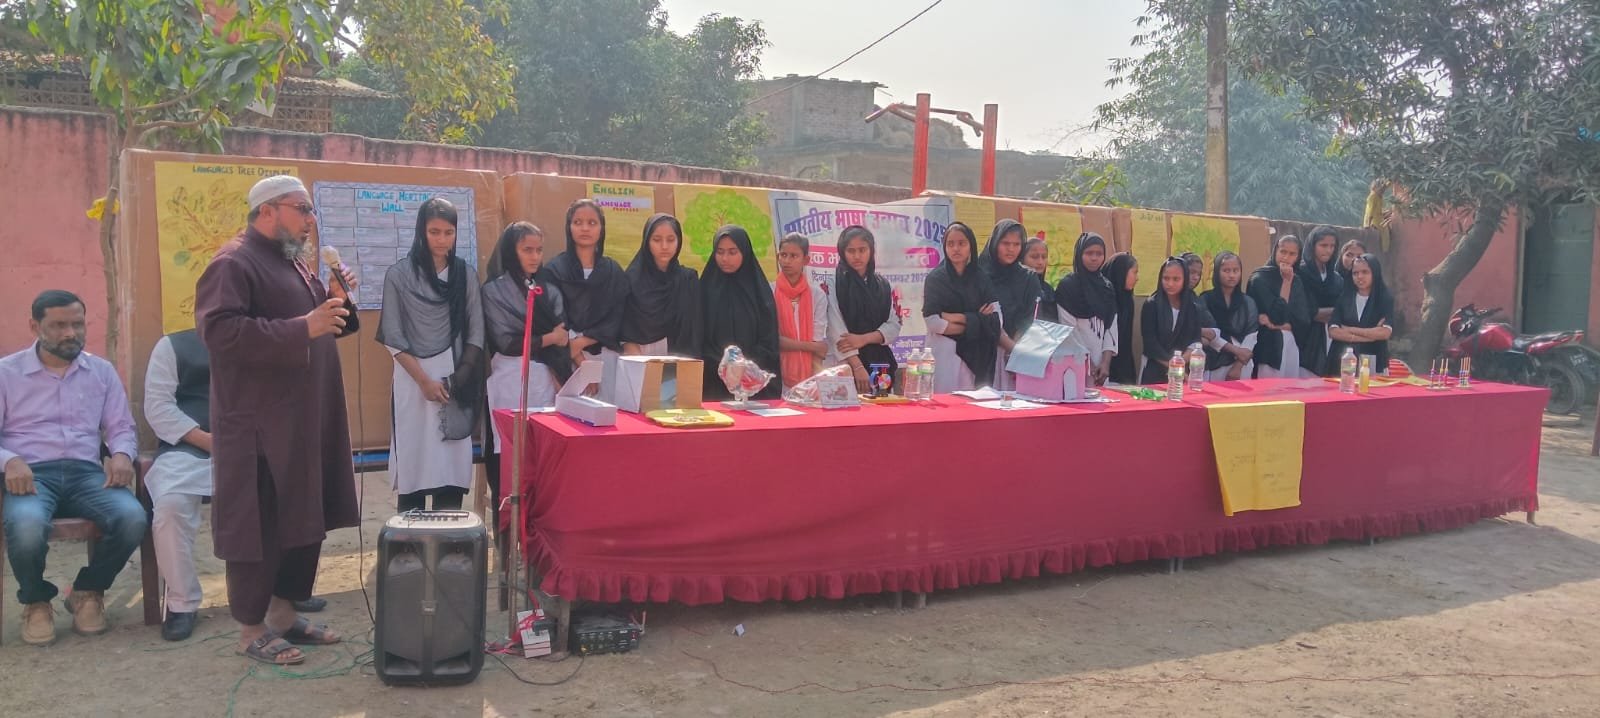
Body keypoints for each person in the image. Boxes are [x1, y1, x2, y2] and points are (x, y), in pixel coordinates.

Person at [195, 174, 360, 665]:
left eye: (310, 211)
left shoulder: (292, 262)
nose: (311, 220)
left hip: (305, 419)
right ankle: (251, 630)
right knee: (261, 522)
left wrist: (334, 299)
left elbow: (321, 327)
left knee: (303, 516)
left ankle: (284, 616)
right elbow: (221, 334)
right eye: (301, 209)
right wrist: (302, 326)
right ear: (266, 211)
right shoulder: (233, 263)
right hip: (259, 426)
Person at [1, 290, 145, 646]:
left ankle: (87, 591)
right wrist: (9, 460)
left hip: (85, 474)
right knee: (27, 526)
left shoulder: (100, 371)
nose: (70, 333)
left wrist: (122, 454)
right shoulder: (6, 373)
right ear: (34, 326)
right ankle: (36, 601)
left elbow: (121, 427)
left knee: (132, 518)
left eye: (77, 324)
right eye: (58, 325)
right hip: (31, 476)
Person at [377, 198, 484, 512]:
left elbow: (476, 333)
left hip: (455, 380)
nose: (441, 239)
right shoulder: (399, 275)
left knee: (450, 466)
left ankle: (447, 535)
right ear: (421, 232)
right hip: (413, 381)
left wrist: (458, 379)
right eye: (434, 231)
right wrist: (424, 381)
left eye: (448, 232)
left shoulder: (464, 275)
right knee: (415, 458)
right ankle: (410, 537)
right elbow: (392, 336)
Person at [481, 222, 571, 529]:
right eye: (526, 250)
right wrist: (549, 338)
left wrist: (556, 353)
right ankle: (507, 537)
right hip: (508, 380)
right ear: (511, 251)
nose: (534, 257)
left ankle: (537, 539)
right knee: (508, 461)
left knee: (541, 463)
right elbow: (505, 341)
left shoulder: (549, 289)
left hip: (545, 383)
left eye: (539, 250)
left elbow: (563, 335)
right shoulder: (494, 291)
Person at [700, 225, 781, 400]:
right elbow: (697, 336)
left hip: (754, 382)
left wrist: (744, 366)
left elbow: (769, 339)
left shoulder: (759, 292)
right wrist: (723, 366)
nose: (725, 258)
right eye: (720, 252)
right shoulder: (704, 290)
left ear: (744, 252)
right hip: (713, 382)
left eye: (732, 252)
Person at [545, 199, 629, 369]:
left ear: (601, 228)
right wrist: (579, 358)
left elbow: (617, 317)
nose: (585, 228)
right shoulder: (554, 270)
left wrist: (583, 341)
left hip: (606, 357)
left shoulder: (613, 272)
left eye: (592, 223)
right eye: (578, 222)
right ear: (569, 227)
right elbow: (551, 317)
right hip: (565, 357)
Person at [922, 222, 1001, 392]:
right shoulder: (936, 279)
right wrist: (977, 322)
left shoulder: (982, 279)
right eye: (950, 244)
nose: (956, 248)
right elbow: (934, 322)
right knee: (946, 402)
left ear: (971, 245)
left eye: (961, 243)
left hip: (977, 356)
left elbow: (996, 321)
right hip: (945, 352)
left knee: (973, 403)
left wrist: (956, 318)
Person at [830, 225, 903, 393]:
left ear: (871, 251)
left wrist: (864, 339)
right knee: (848, 408)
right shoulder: (833, 284)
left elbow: (894, 325)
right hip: (846, 365)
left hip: (880, 364)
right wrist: (857, 367)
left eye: (862, 250)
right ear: (842, 252)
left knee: (881, 408)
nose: (857, 256)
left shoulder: (883, 285)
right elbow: (837, 330)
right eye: (851, 251)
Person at [621, 213, 699, 356]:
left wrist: (676, 366)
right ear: (647, 242)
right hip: (637, 357)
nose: (664, 246)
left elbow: (693, 332)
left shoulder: (687, 280)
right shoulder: (631, 280)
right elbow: (625, 333)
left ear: (679, 241)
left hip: (678, 359)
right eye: (657, 240)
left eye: (671, 240)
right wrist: (642, 365)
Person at [977, 220, 1040, 387]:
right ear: (995, 243)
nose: (1011, 249)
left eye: (1016, 244)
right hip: (984, 352)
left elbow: (1027, 318)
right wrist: (1013, 349)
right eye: (1005, 243)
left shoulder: (1029, 278)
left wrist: (1016, 351)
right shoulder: (979, 275)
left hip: (1019, 354)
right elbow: (986, 316)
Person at [1054, 232, 1120, 386]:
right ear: (1079, 254)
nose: (1094, 258)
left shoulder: (1106, 287)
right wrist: (1089, 364)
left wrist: (1105, 363)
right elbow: (1069, 331)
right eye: (1089, 253)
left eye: (1099, 254)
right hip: (1074, 362)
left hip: (1101, 369)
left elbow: (1111, 328)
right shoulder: (1068, 287)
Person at [1246, 235, 1315, 378]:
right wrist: (1286, 282)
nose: (1286, 258)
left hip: (1291, 344)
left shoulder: (1297, 281)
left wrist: (1277, 325)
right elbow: (1278, 316)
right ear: (1275, 251)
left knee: (1289, 388)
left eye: (1292, 254)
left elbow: (1303, 320)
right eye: (1283, 252)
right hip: (1268, 347)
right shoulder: (1259, 279)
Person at [773, 233, 830, 390]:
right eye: (783, 255)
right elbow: (772, 340)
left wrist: (814, 382)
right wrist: (812, 347)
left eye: (793, 256)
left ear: (806, 260)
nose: (787, 261)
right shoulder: (769, 292)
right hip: (775, 374)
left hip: (809, 376)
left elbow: (817, 340)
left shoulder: (817, 295)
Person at [1327, 253, 1395, 375]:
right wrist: (1370, 336)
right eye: (1355, 273)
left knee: (1369, 386)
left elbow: (1385, 332)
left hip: (1373, 357)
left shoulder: (1384, 299)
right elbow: (1333, 331)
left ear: (1375, 272)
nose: (1360, 276)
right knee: (1346, 385)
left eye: (1365, 272)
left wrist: (1350, 329)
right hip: (1345, 358)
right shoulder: (1344, 298)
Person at [1140, 258, 1205, 384]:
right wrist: (1173, 365)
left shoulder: (1193, 308)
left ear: (1185, 280)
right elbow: (1150, 343)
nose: (1170, 284)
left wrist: (1180, 362)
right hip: (1155, 369)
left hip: (1183, 372)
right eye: (1166, 278)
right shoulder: (1152, 304)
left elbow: (1195, 340)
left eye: (1176, 279)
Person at [1198, 251, 1259, 381]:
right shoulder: (1206, 299)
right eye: (1226, 271)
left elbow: (1252, 335)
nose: (1231, 275)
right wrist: (1234, 350)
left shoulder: (1248, 302)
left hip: (1242, 363)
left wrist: (1238, 366)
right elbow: (1210, 333)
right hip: (1214, 361)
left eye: (1235, 271)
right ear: (1217, 272)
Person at [1298, 226, 1345, 376]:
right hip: (1306, 340)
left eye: (1332, 246)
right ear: (1312, 246)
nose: (1328, 250)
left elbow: (1343, 311)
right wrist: (1329, 313)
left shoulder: (1336, 279)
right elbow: (1303, 312)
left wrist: (1325, 313)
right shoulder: (1300, 274)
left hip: (1331, 336)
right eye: (1323, 245)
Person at [1104, 253, 1140, 384]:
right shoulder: (1105, 299)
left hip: (1123, 367)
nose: (1137, 278)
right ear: (1121, 273)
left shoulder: (1127, 300)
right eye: (1134, 272)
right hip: (1102, 365)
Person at [1022, 237, 1056, 320]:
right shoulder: (1015, 287)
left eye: (1044, 257)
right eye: (1034, 257)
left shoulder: (1048, 290)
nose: (1040, 262)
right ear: (1022, 259)